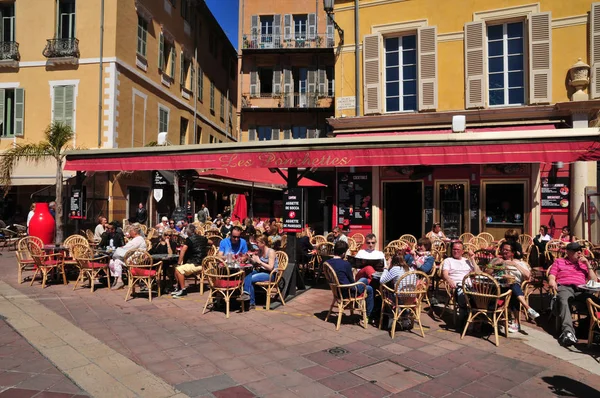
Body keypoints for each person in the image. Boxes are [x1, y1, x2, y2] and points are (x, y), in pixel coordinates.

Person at [548, 242, 599, 346]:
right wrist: (552, 281)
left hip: (581, 290)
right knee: (563, 300)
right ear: (568, 252)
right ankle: (568, 332)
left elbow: (594, 281)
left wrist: (588, 264)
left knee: (597, 302)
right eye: (576, 251)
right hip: (565, 287)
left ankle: (595, 330)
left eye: (580, 250)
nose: (579, 252)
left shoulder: (583, 264)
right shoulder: (559, 261)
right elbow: (552, 275)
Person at [489, 241, 540, 333]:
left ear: (512, 253)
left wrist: (515, 265)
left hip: (513, 286)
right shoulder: (496, 260)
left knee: (512, 285)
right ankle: (527, 309)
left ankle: (518, 319)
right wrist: (494, 265)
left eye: (507, 250)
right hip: (497, 285)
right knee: (511, 288)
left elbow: (528, 276)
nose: (504, 252)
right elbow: (486, 270)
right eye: (503, 249)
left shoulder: (519, 263)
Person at [326, 241, 374, 322]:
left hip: (337, 291)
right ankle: (369, 315)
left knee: (367, 285)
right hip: (348, 291)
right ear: (344, 253)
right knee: (368, 285)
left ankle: (368, 314)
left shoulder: (327, 262)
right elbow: (352, 281)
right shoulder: (345, 264)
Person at [237, 236, 278, 309]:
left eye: (258, 242)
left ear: (263, 243)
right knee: (247, 273)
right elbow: (256, 264)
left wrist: (259, 261)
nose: (256, 244)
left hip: (270, 274)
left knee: (251, 278)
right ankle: (250, 301)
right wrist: (251, 259)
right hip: (261, 271)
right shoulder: (260, 251)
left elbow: (270, 267)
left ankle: (248, 296)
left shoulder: (271, 252)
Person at [441, 241, 480, 316]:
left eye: (458, 250)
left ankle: (477, 317)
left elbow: (478, 272)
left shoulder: (467, 261)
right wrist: (449, 280)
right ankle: (464, 318)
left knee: (484, 297)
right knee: (463, 295)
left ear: (462, 251)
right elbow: (444, 274)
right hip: (457, 286)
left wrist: (472, 259)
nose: (455, 251)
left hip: (470, 286)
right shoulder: (448, 260)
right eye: (454, 249)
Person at [172, 225, 209, 298]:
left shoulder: (189, 240)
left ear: (188, 232)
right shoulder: (203, 238)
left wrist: (179, 263)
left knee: (178, 269)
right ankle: (179, 288)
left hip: (196, 263)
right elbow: (210, 241)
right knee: (175, 268)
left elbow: (183, 250)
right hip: (203, 262)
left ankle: (183, 290)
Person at [109, 224, 147, 290]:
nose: (129, 232)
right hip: (131, 257)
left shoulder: (138, 239)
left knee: (116, 261)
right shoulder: (135, 239)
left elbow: (128, 248)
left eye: (130, 231)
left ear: (134, 232)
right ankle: (118, 279)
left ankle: (119, 280)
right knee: (112, 262)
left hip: (136, 260)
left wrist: (121, 248)